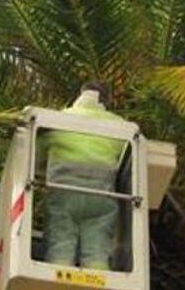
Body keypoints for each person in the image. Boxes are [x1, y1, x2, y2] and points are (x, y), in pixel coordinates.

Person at [42, 82, 127, 270]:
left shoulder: (59, 118)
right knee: (97, 250)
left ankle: (59, 278)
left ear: (80, 95)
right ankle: (97, 280)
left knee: (61, 245)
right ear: (106, 100)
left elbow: (38, 151)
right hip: (101, 197)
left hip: (63, 194)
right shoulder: (119, 124)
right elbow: (128, 158)